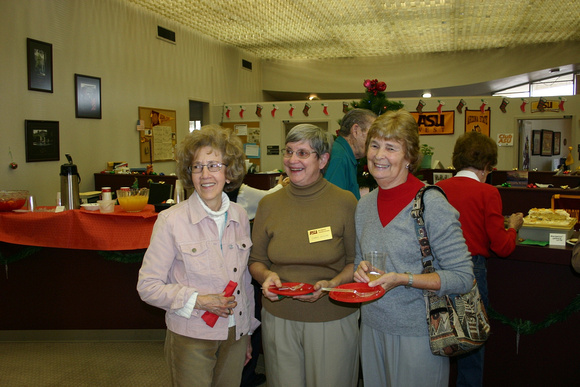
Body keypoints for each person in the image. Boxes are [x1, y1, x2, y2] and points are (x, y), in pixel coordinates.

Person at [353, 109, 474, 387]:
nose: (379, 155)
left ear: (409, 158)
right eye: (374, 145)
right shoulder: (364, 206)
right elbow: (359, 261)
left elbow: (463, 276)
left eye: (391, 148)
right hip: (372, 327)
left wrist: (403, 279)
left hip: (419, 334)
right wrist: (360, 270)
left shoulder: (432, 203)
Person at [137, 124, 260, 387]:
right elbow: (147, 287)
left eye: (214, 165)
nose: (205, 174)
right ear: (189, 173)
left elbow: (244, 282)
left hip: (235, 334)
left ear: (229, 172)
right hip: (191, 335)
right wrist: (199, 301)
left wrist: (247, 330)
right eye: (197, 166)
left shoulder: (239, 215)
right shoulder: (171, 221)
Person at [249, 124, 360, 387]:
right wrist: (266, 277)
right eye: (289, 152)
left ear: (323, 160)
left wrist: (332, 285)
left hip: (331, 316)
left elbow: (354, 262)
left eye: (303, 153)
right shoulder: (269, 204)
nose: (292, 160)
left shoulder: (345, 202)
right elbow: (256, 261)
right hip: (279, 317)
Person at [435, 131, 524, 387]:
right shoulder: (488, 193)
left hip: (438, 273)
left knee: (438, 341)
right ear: (487, 167)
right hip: (472, 272)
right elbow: (503, 247)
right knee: (471, 350)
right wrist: (513, 227)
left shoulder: (436, 189)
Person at [325, 108, 377, 199]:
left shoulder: (344, 155)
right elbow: (331, 202)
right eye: (372, 134)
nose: (374, 140)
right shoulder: (339, 158)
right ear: (356, 130)